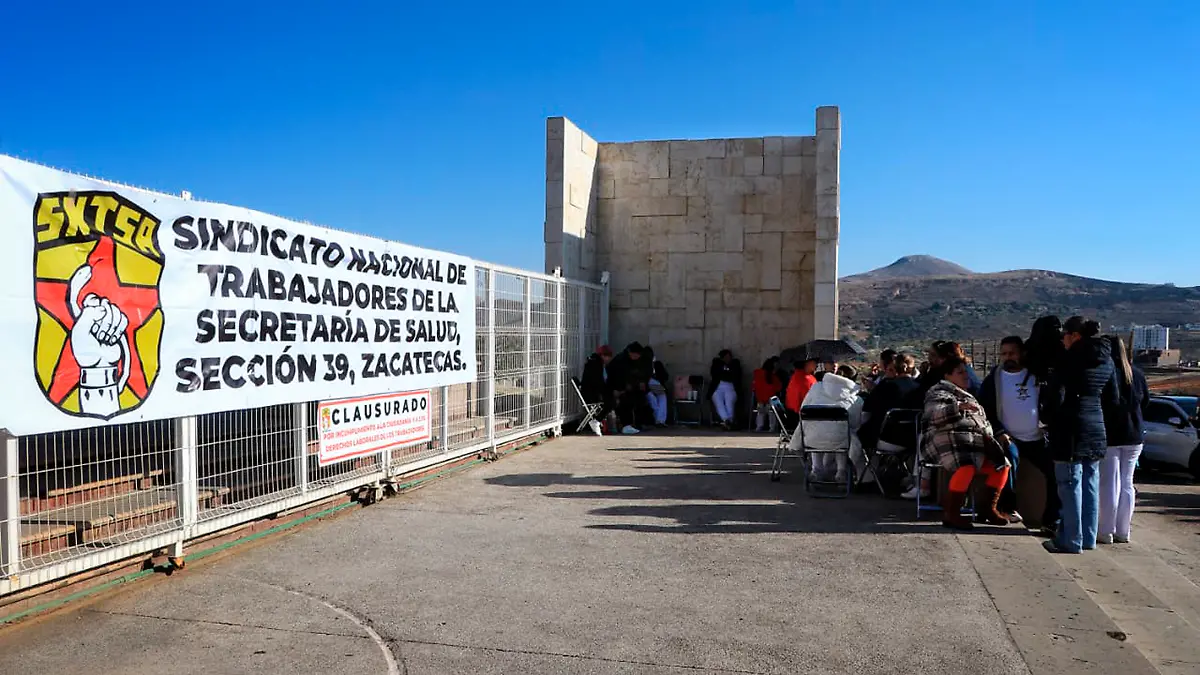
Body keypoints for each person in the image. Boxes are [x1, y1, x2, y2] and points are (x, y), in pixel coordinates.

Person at [1043, 317, 1118, 554]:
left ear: (1074, 336)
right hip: (1096, 425)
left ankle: (1070, 539)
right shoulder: (1107, 361)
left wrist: (1047, 417)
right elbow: (1113, 399)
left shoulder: (1067, 360)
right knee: (1090, 482)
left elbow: (1056, 397)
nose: (1062, 340)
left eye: (1064, 335)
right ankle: (1088, 537)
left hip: (1069, 428)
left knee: (1069, 483)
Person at [921, 356, 1012, 530]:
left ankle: (987, 509)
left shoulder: (970, 395)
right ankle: (952, 513)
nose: (966, 375)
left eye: (966, 371)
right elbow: (934, 416)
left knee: (1002, 465)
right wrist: (957, 408)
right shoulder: (938, 392)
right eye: (960, 372)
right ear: (948, 376)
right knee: (966, 466)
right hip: (948, 441)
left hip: (975, 442)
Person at [978, 336, 1040, 525]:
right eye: (1003, 354)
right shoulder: (993, 380)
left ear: (1022, 353)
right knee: (1007, 461)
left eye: (1012, 353)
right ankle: (1007, 508)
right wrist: (998, 432)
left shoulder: (1036, 375)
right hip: (1008, 437)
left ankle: (1053, 515)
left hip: (1036, 437)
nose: (1007, 357)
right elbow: (985, 409)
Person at [1098, 335, 1149, 545]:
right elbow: (1145, 401)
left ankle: (1106, 530)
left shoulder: (1107, 374)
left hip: (1111, 435)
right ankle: (1123, 531)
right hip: (1134, 434)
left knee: (1110, 483)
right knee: (1127, 483)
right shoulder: (1137, 374)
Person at [792, 369, 866, 484]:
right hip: (840, 441)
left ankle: (816, 469)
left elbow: (803, 409)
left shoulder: (816, 388)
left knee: (816, 427)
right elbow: (856, 423)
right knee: (843, 434)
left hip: (812, 439)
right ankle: (841, 472)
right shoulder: (856, 398)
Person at [858, 353, 921, 450]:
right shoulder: (920, 388)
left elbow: (866, 413)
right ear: (912, 369)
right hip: (913, 440)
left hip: (887, 438)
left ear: (895, 368)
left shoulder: (886, 386)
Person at [606, 342, 649, 435]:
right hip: (617, 388)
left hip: (628, 388)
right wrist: (620, 389)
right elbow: (616, 376)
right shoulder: (621, 360)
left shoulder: (631, 360)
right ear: (632, 353)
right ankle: (626, 425)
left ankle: (636, 423)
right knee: (626, 402)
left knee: (639, 400)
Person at [580, 345, 614, 435]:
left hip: (591, 391)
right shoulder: (596, 365)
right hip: (591, 394)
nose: (608, 359)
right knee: (611, 402)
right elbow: (598, 382)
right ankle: (597, 421)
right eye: (608, 357)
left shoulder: (595, 363)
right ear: (603, 355)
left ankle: (598, 421)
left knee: (611, 401)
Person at [709, 349, 742, 429]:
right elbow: (714, 373)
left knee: (729, 402)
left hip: (730, 386)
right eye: (725, 357)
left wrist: (726, 370)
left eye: (728, 356)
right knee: (717, 400)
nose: (727, 358)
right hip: (718, 386)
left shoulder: (735, 363)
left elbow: (735, 374)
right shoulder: (717, 363)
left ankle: (728, 422)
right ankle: (726, 420)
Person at [752, 357, 785, 432]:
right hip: (770, 399)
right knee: (772, 413)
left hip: (759, 398)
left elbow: (753, 386)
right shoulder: (773, 377)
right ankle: (772, 428)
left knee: (760, 413)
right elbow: (778, 388)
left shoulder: (757, 373)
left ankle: (759, 427)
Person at [646, 359, 671, 427]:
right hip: (653, 384)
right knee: (661, 399)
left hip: (649, 386)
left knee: (654, 400)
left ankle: (658, 420)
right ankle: (660, 420)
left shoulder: (650, 366)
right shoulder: (655, 365)